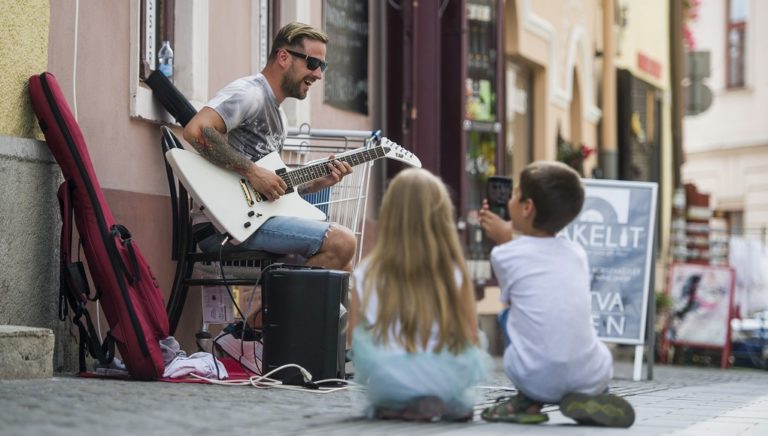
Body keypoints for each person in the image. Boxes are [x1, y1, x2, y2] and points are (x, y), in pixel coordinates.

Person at [182, 22, 356, 374]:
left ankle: (271, 342)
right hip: (221, 224)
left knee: (342, 261)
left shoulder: (277, 115)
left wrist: (313, 181)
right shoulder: (249, 93)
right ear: (283, 56)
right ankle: (250, 335)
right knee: (342, 241)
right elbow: (196, 131)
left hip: (255, 219)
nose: (318, 74)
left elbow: (270, 189)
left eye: (323, 67)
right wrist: (252, 171)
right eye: (312, 63)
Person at [478, 161, 635, 427]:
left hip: (534, 377)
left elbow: (512, 299)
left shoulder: (503, 254)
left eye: (515, 194)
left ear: (527, 208)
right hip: (591, 373)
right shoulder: (578, 254)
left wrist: (505, 237)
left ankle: (527, 402)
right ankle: (594, 395)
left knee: (508, 315)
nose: (510, 199)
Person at [349, 168, 490, 422]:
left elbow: (355, 339)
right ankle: (445, 399)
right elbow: (470, 334)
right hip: (446, 377)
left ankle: (398, 404)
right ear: (441, 217)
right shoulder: (453, 272)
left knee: (372, 353)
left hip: (390, 379)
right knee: (471, 346)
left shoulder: (366, 272)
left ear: (389, 214)